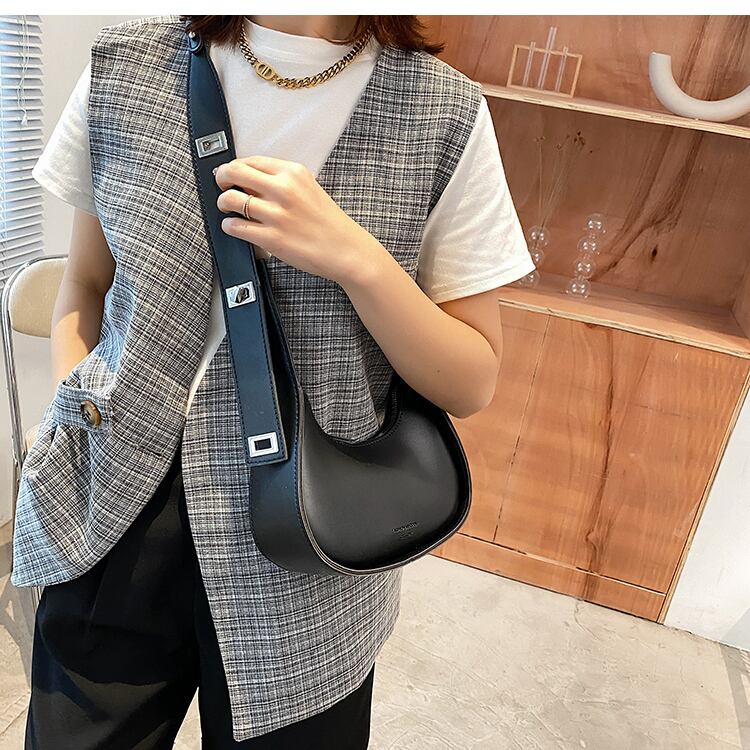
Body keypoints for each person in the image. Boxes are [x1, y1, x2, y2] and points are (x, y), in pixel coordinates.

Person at [12, 13, 536, 749]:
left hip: (307, 535)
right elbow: (86, 286)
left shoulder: (443, 115)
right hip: (116, 506)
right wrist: (78, 428)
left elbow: (472, 379)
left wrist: (358, 260)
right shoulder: (125, 66)